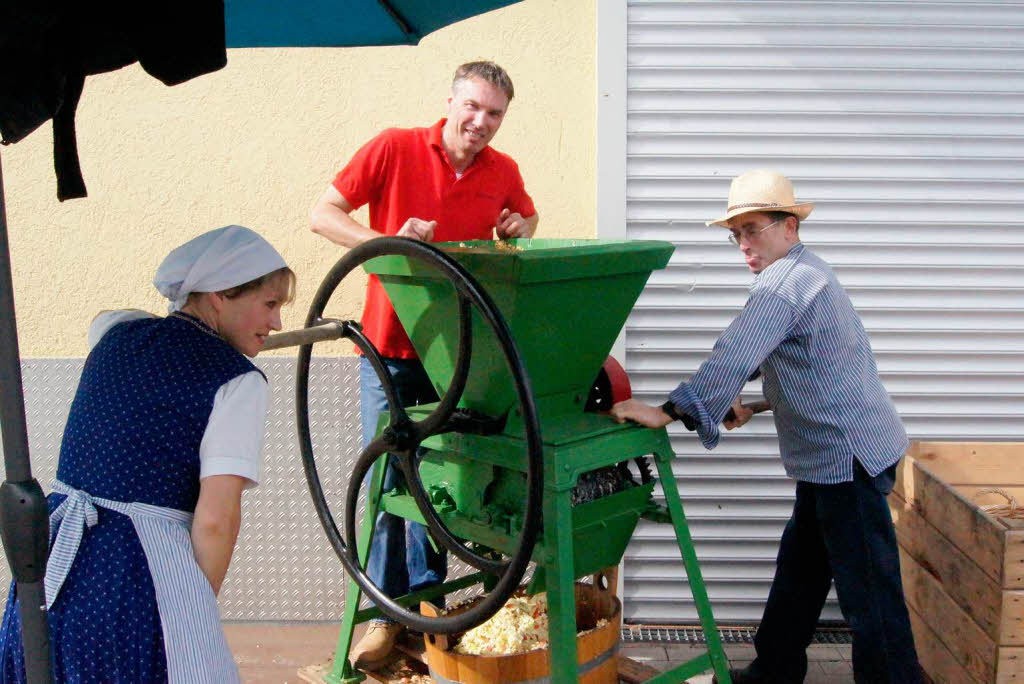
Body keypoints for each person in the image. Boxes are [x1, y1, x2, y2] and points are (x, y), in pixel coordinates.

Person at [610, 170, 923, 684]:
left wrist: (666, 411)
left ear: (789, 226)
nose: (744, 246)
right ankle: (774, 669)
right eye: (736, 235)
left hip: (848, 461)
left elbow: (737, 350)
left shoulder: (784, 284)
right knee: (800, 572)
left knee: (872, 599)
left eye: (753, 229)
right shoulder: (809, 273)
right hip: (837, 456)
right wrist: (753, 404)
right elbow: (812, 365)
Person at [310, 60, 538, 666]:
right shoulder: (394, 148)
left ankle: (428, 611)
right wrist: (385, 240)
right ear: (451, 102)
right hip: (388, 350)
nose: (481, 122)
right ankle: (387, 616)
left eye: (494, 114)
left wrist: (522, 224)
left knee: (437, 489)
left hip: (459, 358)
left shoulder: (502, 171)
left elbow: (528, 221)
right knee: (386, 480)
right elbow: (322, 213)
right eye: (473, 107)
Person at [0, 225, 294, 683]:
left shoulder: (117, 334)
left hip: (52, 566)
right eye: (269, 304)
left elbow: (108, 317)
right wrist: (192, 609)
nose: (277, 324)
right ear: (218, 295)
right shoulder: (238, 382)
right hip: (131, 584)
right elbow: (217, 520)